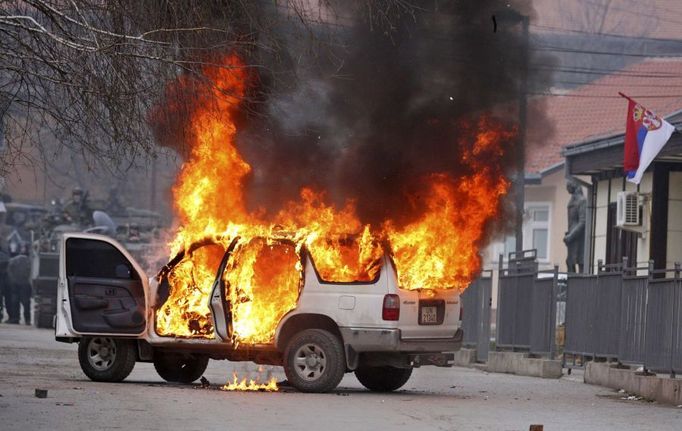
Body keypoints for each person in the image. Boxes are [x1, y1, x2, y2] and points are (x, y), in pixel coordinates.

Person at [564, 179, 586, 273]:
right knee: (569, 262)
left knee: (580, 261)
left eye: (568, 186)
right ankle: (571, 284)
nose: (567, 188)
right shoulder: (572, 201)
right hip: (572, 238)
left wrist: (571, 235)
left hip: (579, 238)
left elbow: (583, 222)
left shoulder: (582, 201)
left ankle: (580, 284)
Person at [7, 253, 31, 325]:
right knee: (26, 302)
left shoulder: (12, 260)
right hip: (25, 283)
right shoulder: (28, 260)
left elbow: (9, 271)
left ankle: (15, 319)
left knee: (15, 302)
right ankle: (27, 319)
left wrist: (12, 280)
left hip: (15, 283)